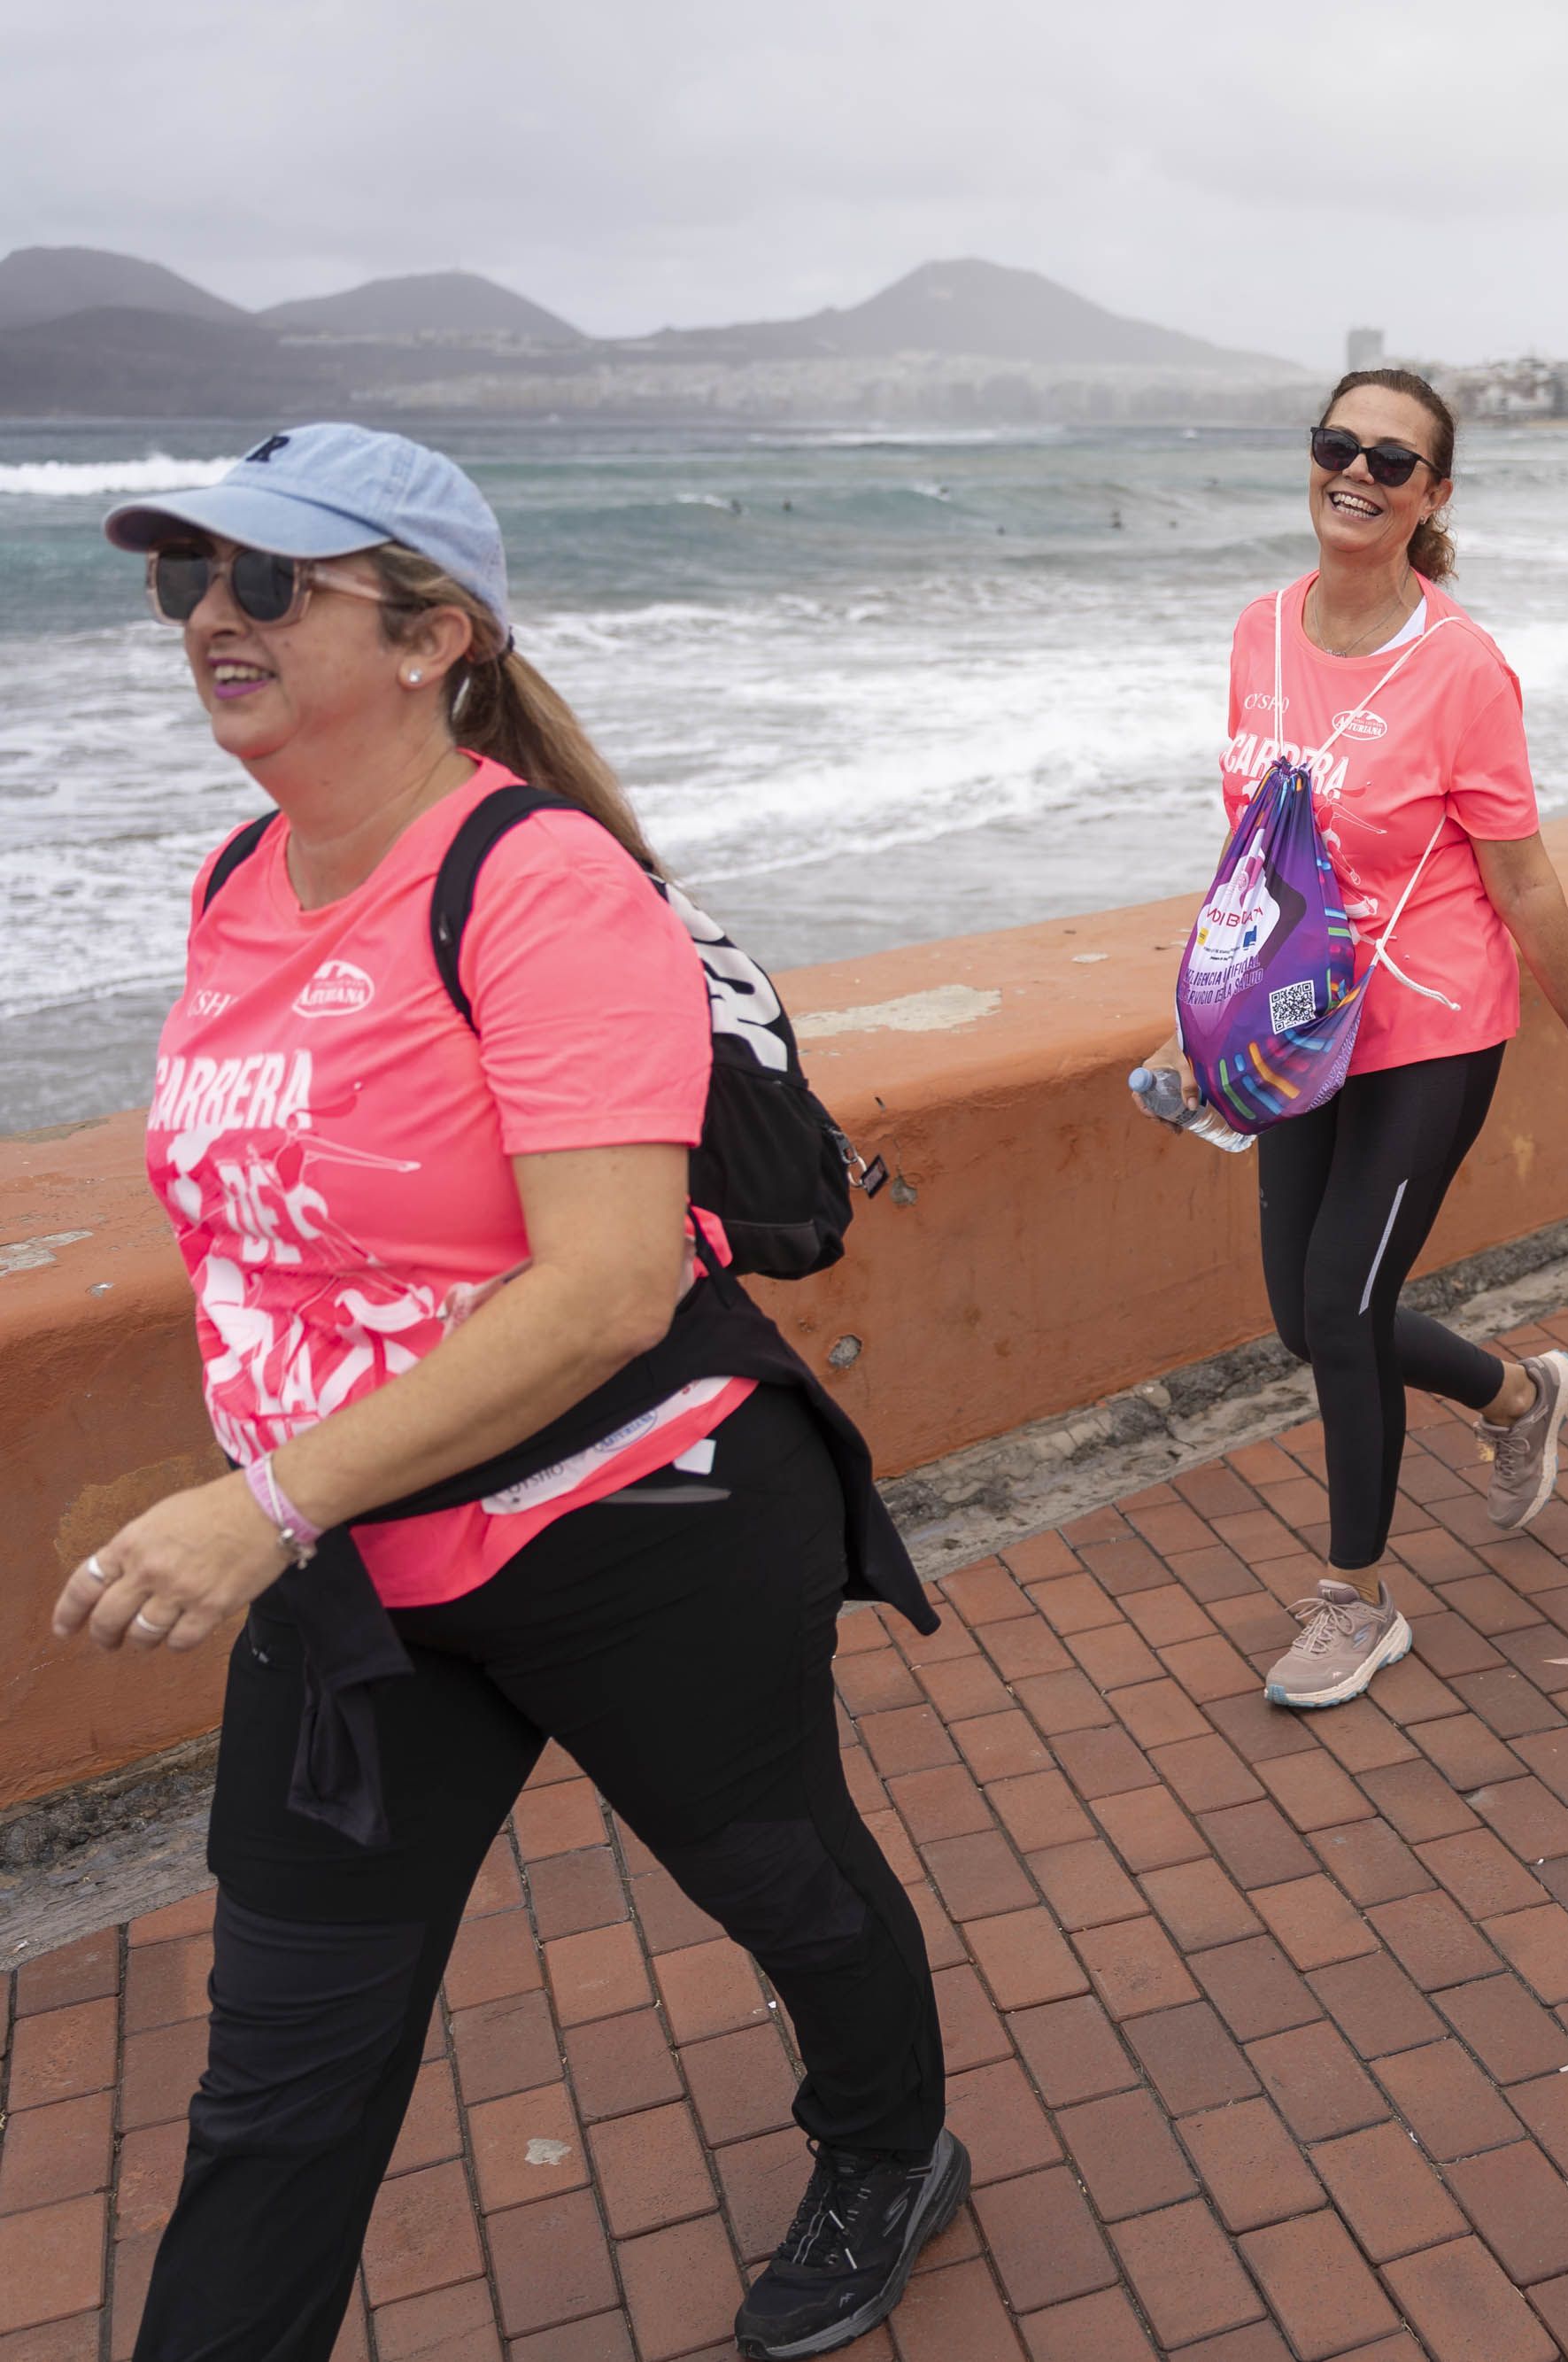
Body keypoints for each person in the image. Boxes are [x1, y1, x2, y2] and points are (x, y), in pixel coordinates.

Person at [65, 425, 962, 2362]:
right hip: (350, 1577)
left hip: (630, 1526)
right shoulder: (236, 878)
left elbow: (610, 1286)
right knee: (278, 2085)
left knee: (783, 1883)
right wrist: (291, 1493)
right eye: (184, 580)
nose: (210, 615)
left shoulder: (540, 885)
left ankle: (890, 2142)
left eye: (267, 582)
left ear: (430, 635)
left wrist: (261, 1497)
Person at [1140, 369, 1568, 1708]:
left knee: (1344, 1302)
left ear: (1433, 495)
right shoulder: (1259, 632)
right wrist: (1196, 1020)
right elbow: (1254, 851)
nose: (1359, 475)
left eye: (1394, 460)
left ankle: (1356, 1601)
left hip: (1430, 1030)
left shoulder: (1461, 667)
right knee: (1303, 1319)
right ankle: (1517, 1397)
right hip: (1291, 1031)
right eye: (1340, 448)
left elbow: (1526, 883)